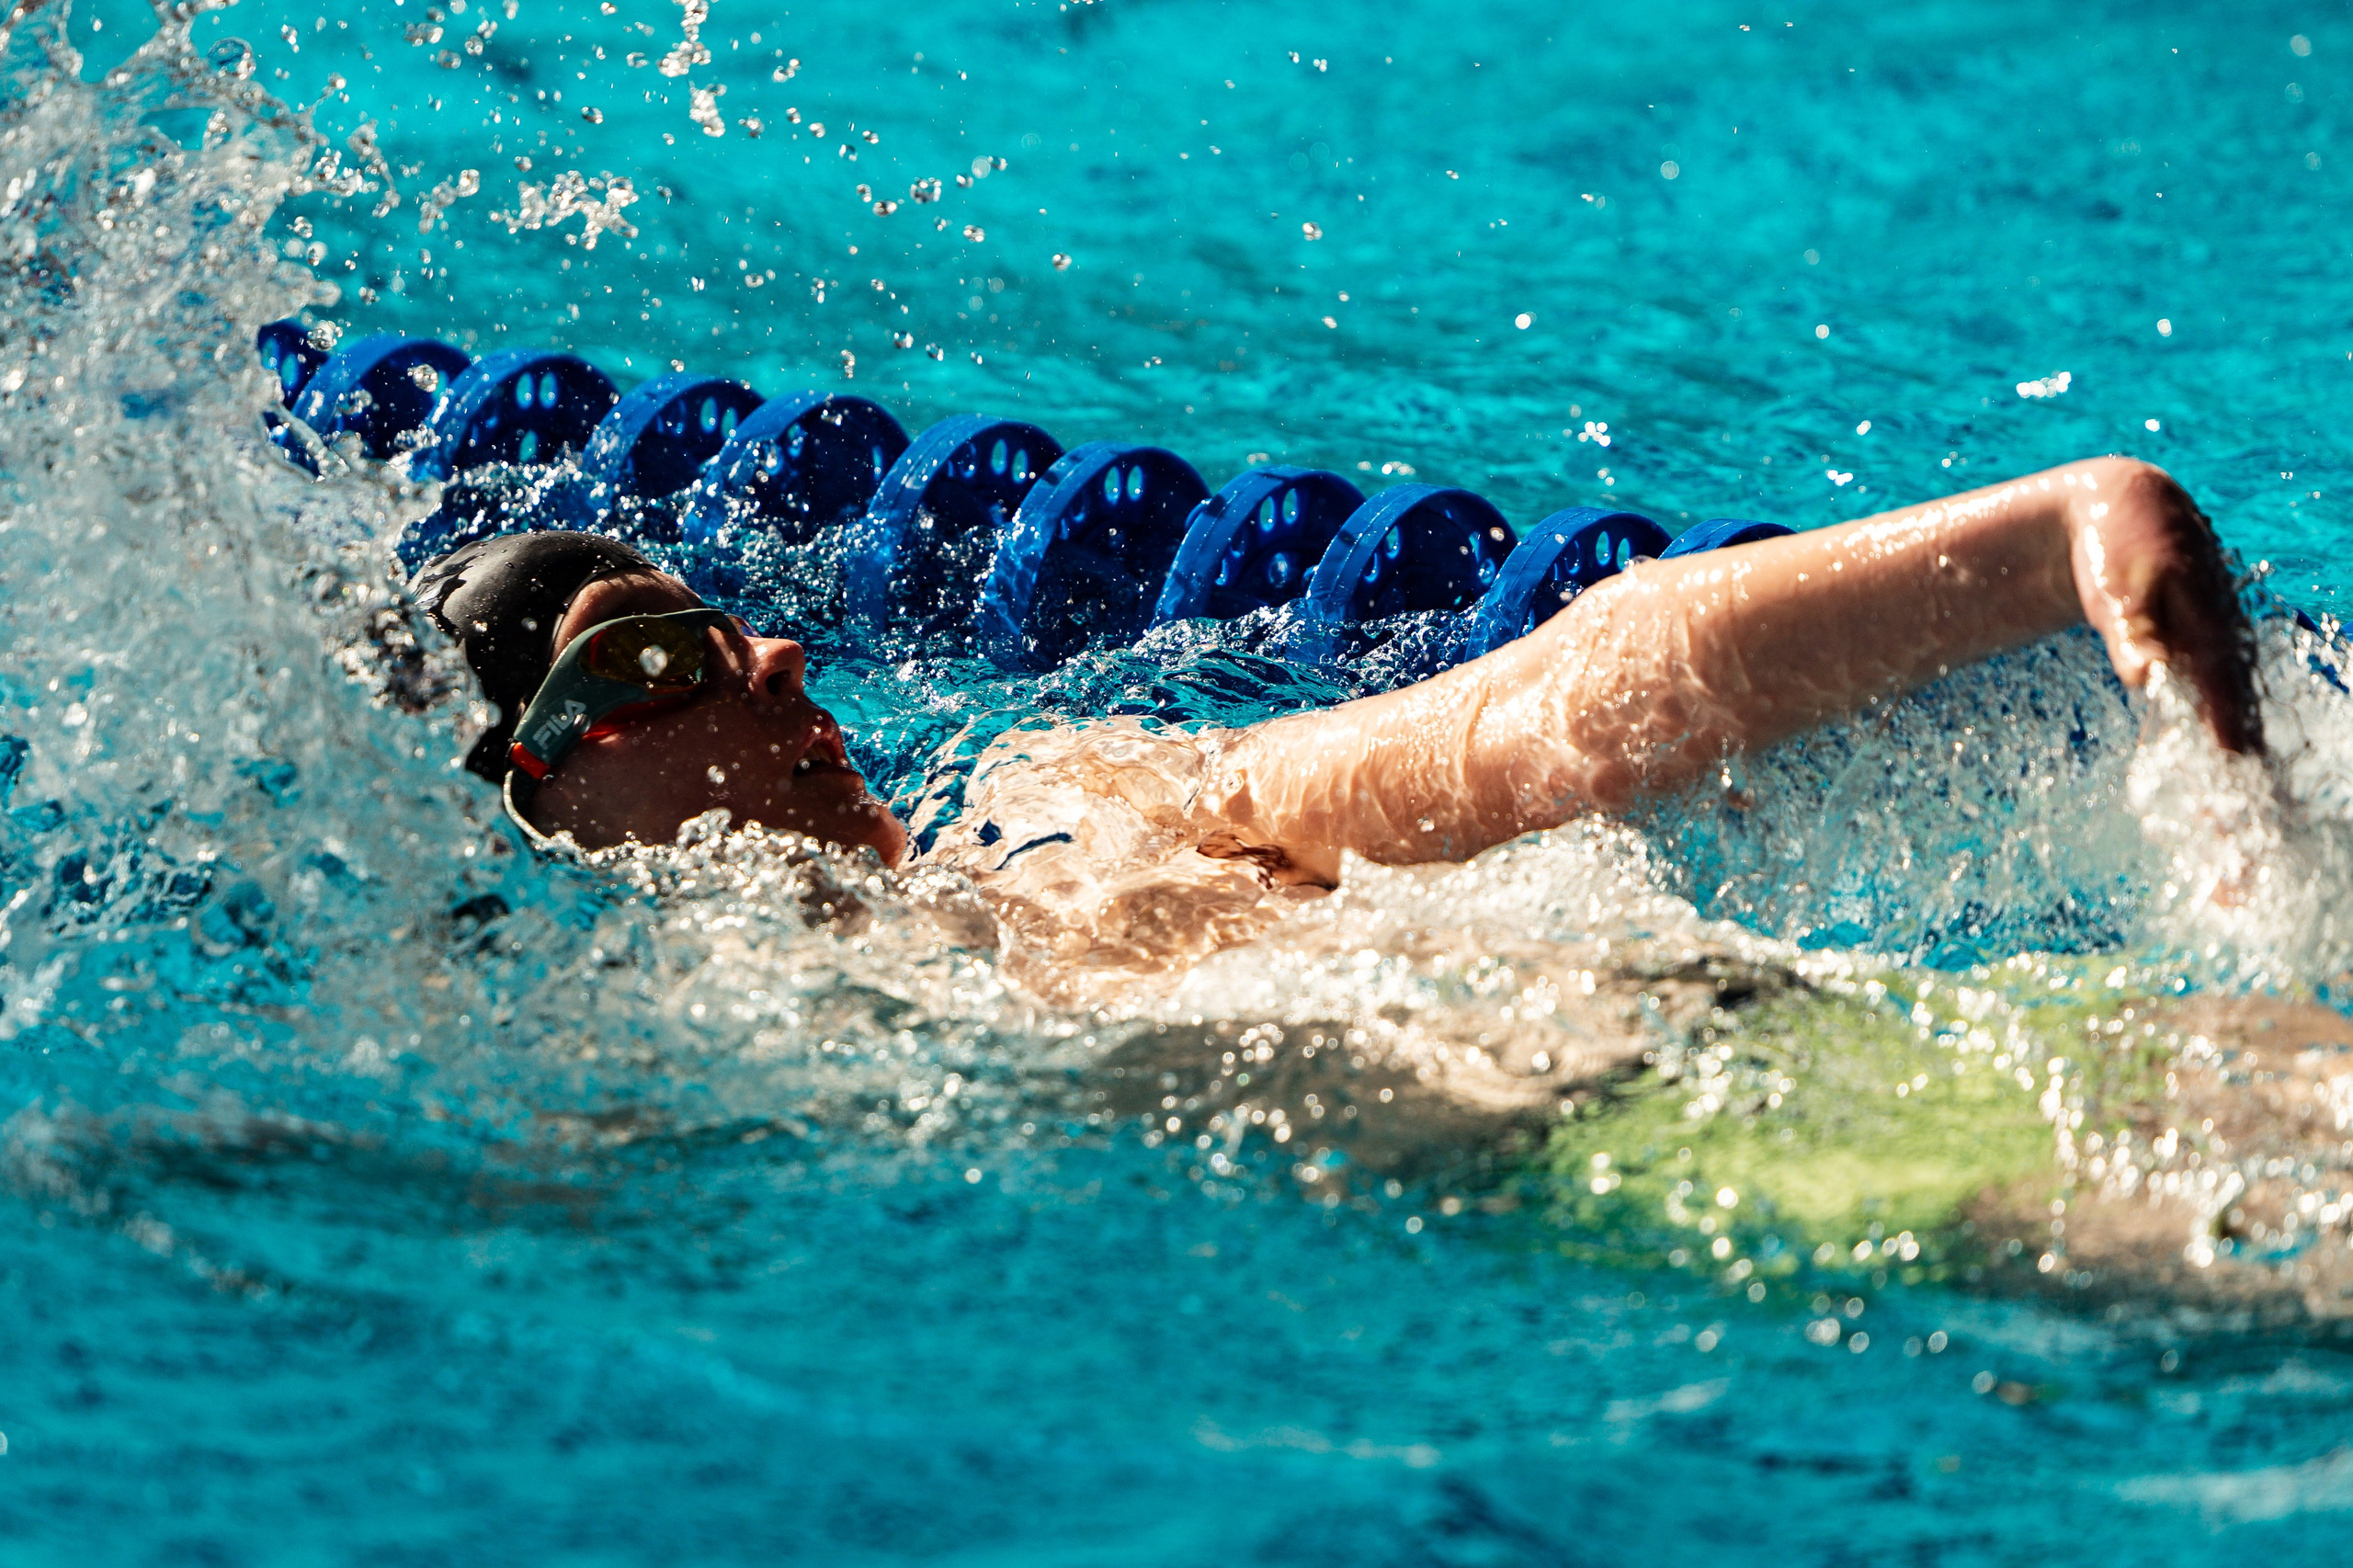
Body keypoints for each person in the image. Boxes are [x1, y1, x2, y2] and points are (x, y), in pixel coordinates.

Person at [414, 455, 2259, 957]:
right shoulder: (695, 1068)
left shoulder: (1071, 797)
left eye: (721, 626)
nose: (768, 661)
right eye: (647, 662)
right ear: (542, 797)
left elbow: (1519, 721)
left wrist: (2035, 540)